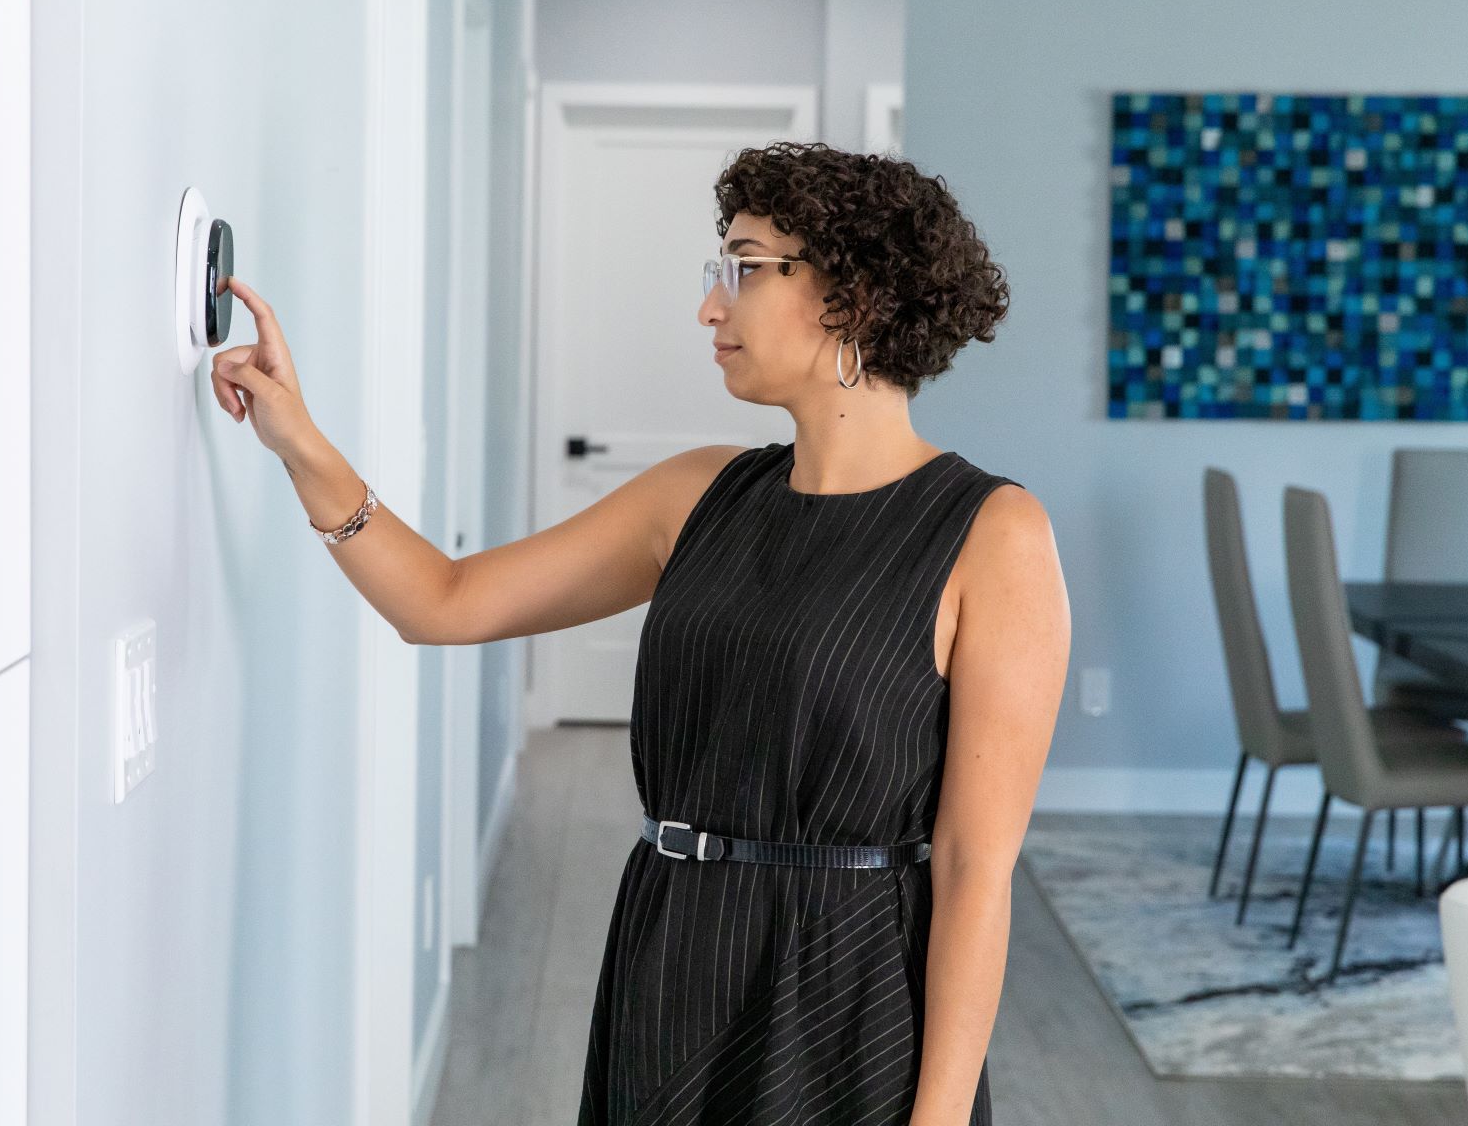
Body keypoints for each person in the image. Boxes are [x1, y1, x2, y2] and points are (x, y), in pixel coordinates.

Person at [214, 140, 1071, 1125]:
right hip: (673, 963)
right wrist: (298, 439)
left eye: (744, 270)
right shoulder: (696, 494)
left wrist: (939, 1118)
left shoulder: (994, 534)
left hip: (854, 997)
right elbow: (443, 600)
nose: (712, 306)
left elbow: (974, 866)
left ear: (855, 295)